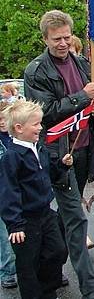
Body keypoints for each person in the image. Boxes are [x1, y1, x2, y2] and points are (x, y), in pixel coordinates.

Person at [24, 10, 94, 299]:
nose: (62, 43)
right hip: (57, 153)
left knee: (64, 215)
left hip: (85, 148)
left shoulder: (83, 63)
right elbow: (44, 113)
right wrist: (83, 97)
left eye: (66, 37)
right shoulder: (36, 71)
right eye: (56, 39)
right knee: (75, 216)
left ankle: (52, 270)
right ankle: (91, 286)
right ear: (44, 39)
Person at [0, 100, 70, 299]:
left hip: (46, 213)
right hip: (25, 220)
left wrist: (62, 166)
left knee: (57, 250)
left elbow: (48, 174)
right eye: (36, 124)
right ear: (19, 128)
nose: (40, 127)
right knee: (28, 266)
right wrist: (15, 224)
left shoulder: (38, 148)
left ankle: (48, 290)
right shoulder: (11, 157)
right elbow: (8, 192)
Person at [0, 103, 17, 290]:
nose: (3, 123)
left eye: (5, 119)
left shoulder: (16, 139)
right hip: (3, 193)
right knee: (5, 235)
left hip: (19, 191)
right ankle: (7, 272)